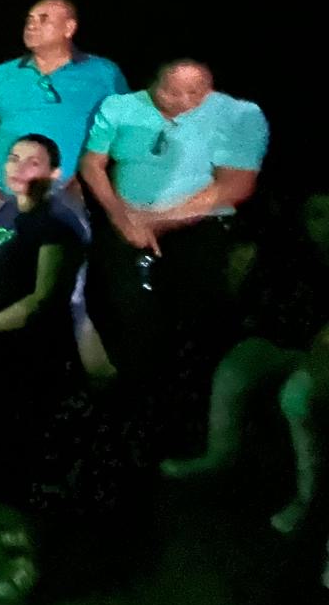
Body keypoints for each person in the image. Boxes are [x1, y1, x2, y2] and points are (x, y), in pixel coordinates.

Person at [80, 60, 269, 433]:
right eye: (170, 90)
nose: (181, 100)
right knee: (125, 314)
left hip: (198, 231)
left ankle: (191, 417)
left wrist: (157, 220)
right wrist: (122, 219)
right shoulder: (120, 108)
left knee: (194, 322)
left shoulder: (240, 116)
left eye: (193, 93)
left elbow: (235, 184)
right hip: (127, 229)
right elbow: (92, 164)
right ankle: (130, 411)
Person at [0, 134, 90, 599]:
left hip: (28, 356)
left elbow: (41, 299)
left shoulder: (57, 227)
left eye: (33, 162)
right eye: (13, 157)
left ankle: (33, 562)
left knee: (25, 455)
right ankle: (5, 529)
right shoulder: (7, 213)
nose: (18, 166)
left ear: (54, 174)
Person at [162, 190, 329, 536]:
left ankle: (307, 496)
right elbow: (262, 303)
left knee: (296, 397)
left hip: (321, 355)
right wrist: (241, 284)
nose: (323, 224)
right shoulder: (292, 253)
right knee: (234, 370)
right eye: (316, 215)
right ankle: (220, 456)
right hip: (285, 342)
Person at [0, 0, 126, 271]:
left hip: (64, 197)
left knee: (57, 283)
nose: (32, 26)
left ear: (69, 28)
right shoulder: (3, 74)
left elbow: (124, 128)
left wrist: (92, 176)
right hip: (4, 195)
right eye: (29, 20)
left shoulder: (103, 73)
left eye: (44, 19)